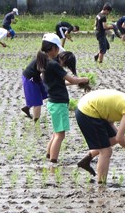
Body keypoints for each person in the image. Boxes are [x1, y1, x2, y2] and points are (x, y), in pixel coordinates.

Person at [75, 89, 125, 184]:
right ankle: (101, 184)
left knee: (111, 140)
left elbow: (111, 124)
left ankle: (86, 160)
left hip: (89, 107)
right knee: (106, 151)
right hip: (87, 111)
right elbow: (119, 138)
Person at [37, 35, 89, 163]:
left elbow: (61, 83)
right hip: (59, 103)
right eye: (57, 49)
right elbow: (71, 79)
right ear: (53, 48)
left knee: (56, 133)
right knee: (60, 135)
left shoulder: (45, 62)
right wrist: (85, 79)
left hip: (54, 102)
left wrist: (76, 82)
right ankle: (53, 160)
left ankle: (49, 155)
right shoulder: (54, 64)